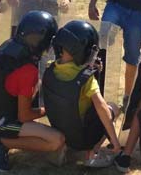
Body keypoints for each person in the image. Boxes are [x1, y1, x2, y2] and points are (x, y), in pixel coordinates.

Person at [0, 10, 64, 172]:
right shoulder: (27, 69)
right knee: (56, 140)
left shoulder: (9, 45)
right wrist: (48, 110)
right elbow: (24, 116)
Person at [42, 20, 121, 167]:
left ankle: (63, 147)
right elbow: (102, 109)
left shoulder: (49, 69)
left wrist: (90, 68)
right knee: (113, 108)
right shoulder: (87, 80)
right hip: (82, 139)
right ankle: (92, 152)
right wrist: (115, 142)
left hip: (59, 132)